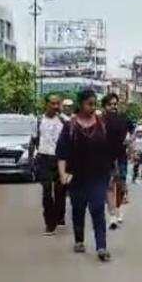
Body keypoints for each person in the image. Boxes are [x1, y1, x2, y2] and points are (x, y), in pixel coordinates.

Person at [56, 89, 119, 262]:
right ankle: (79, 239)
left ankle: (101, 247)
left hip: (99, 174)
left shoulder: (102, 124)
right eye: (89, 104)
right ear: (81, 104)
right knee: (78, 208)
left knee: (98, 208)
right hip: (76, 176)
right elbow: (61, 152)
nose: (92, 107)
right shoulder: (70, 126)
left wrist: (113, 171)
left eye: (94, 104)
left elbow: (110, 149)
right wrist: (63, 174)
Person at [35, 94, 67, 235]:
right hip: (44, 158)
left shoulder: (64, 120)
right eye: (52, 103)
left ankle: (59, 215)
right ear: (46, 104)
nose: (55, 107)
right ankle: (49, 223)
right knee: (47, 190)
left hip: (60, 159)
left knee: (60, 191)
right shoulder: (38, 120)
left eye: (57, 104)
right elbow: (34, 139)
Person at [101, 94, 129, 230]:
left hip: (121, 156)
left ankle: (118, 208)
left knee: (121, 185)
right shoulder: (100, 121)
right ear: (105, 106)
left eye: (115, 104)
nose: (113, 106)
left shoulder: (123, 119)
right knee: (109, 186)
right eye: (110, 104)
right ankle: (112, 215)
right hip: (106, 157)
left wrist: (130, 144)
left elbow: (129, 136)